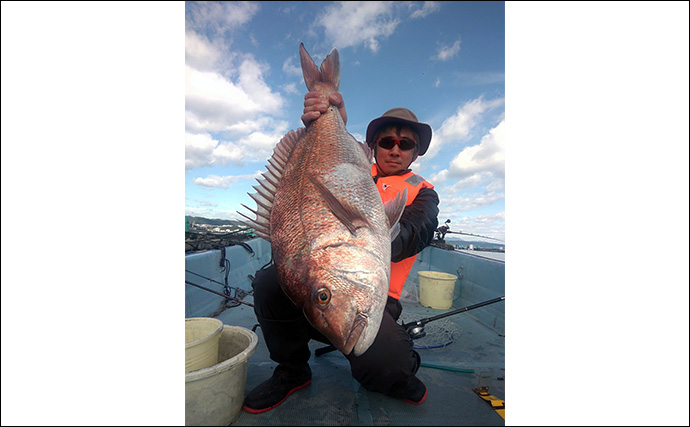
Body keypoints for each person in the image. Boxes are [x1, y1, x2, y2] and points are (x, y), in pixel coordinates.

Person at [242, 91, 439, 414]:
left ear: (415, 154)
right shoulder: (349, 171)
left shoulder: (423, 194)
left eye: (405, 144)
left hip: (375, 302)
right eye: (387, 141)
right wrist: (331, 121)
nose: (395, 149)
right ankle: (292, 370)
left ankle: (398, 362)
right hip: (320, 290)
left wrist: (372, 234)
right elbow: (307, 187)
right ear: (372, 145)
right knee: (268, 282)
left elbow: (416, 233)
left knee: (391, 369)